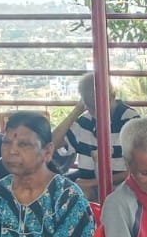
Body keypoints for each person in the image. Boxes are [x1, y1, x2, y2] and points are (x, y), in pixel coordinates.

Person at [51, 72, 140, 200]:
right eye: (92, 107)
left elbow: (138, 171)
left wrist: (93, 183)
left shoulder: (129, 120)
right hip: (89, 191)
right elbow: (51, 145)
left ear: (112, 96)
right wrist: (75, 112)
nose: (97, 112)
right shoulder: (84, 122)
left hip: (123, 190)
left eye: (101, 104)